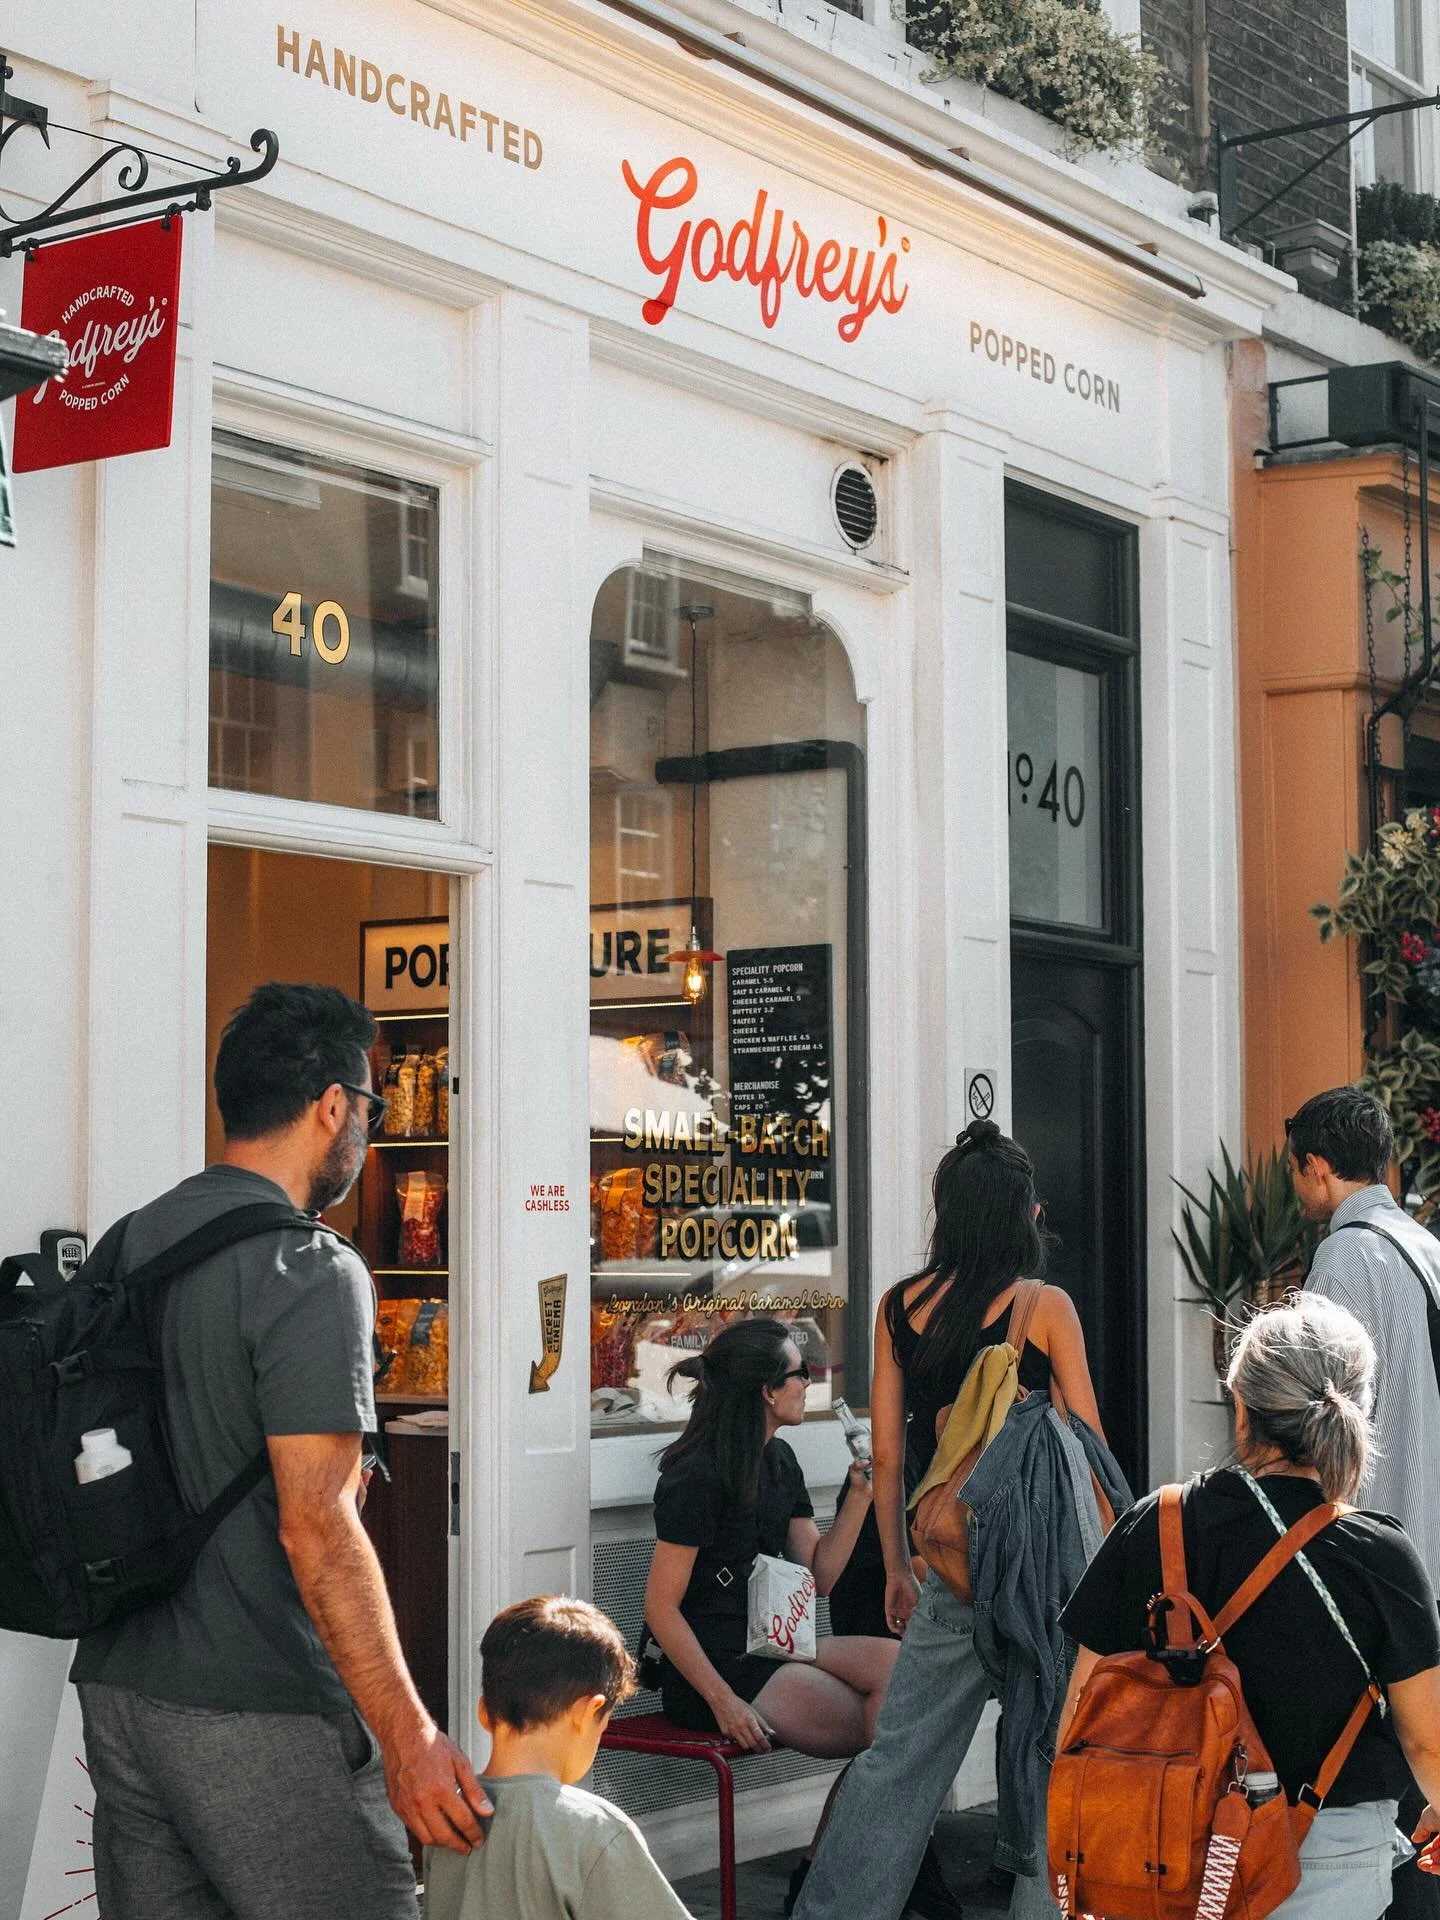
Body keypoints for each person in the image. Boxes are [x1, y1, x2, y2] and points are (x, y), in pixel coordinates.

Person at [71, 983, 489, 1920]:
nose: (367, 1131)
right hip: (258, 1696)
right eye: (369, 1107)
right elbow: (318, 1525)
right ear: (332, 1105)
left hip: (121, 1685)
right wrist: (408, 1734)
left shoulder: (128, 1244)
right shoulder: (307, 1267)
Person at [793, 1119, 1118, 1920]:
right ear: (1021, 1214)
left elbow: (889, 1457)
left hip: (949, 1567)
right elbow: (1089, 1450)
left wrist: (897, 1568)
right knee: (1051, 1755)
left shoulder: (899, 1307)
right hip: (1043, 1575)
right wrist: (1116, 1576)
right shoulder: (1044, 1307)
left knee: (900, 1763)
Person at [1060, 1293, 1440, 1920]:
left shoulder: (1154, 1524)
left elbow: (1083, 1707)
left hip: (1160, 1852)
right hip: (1323, 1859)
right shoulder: (1379, 1555)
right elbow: (1427, 1744)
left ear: (1241, 1411)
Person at [642, 1317, 902, 1913]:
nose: (809, 1383)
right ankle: (844, 1877)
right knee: (890, 1733)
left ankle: (825, 1870)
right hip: (716, 1669)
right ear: (766, 1390)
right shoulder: (696, 1474)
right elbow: (661, 1607)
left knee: (903, 1675)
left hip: (773, 1640)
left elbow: (821, 1576)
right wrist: (723, 1702)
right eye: (799, 1373)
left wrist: (860, 1495)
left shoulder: (779, 1460)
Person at [1292, 1085, 1440, 1918]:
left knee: (1383, 1792)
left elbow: (1318, 1422)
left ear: (1317, 1167)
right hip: (1430, 1550)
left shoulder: (1344, 1258)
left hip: (1375, 1558)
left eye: (1297, 1173)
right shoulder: (1425, 1246)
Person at [425, 1595, 693, 1920]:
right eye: (603, 1725)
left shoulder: (447, 1818)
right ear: (588, 1712)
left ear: (484, 1712)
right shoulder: (596, 1829)